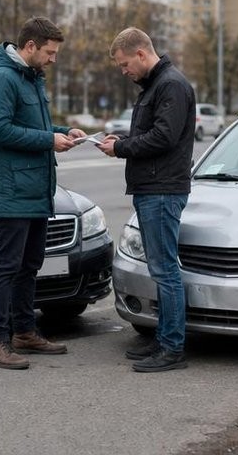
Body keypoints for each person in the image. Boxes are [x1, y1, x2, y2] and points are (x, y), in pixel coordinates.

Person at [0, 16, 86, 370]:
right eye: (50, 52)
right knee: (6, 267)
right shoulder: (2, 79)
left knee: (29, 265)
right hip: (11, 190)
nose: (53, 59)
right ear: (30, 47)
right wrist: (47, 140)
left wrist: (62, 130)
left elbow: (31, 126)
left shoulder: (31, 77)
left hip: (35, 188)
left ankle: (25, 331)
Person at [96, 27, 196, 373]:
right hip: (154, 187)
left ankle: (172, 347)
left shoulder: (170, 84)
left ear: (141, 53)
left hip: (163, 190)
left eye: (125, 64)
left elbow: (164, 137)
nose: (124, 71)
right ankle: (164, 337)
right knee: (160, 268)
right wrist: (121, 138)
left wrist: (121, 148)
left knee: (166, 270)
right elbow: (152, 132)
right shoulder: (156, 85)